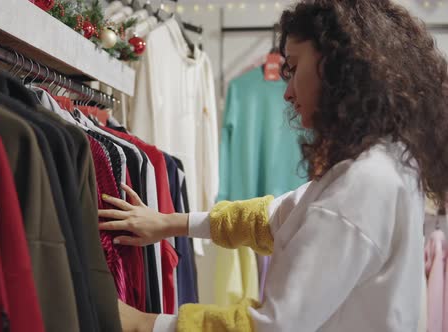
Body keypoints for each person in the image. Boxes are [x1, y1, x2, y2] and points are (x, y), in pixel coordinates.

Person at [98, 0, 448, 331]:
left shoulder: (364, 183)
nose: (287, 91)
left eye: (294, 68)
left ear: (338, 66)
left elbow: (273, 325)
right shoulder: (386, 161)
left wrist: (145, 323)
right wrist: (169, 223)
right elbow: (275, 217)